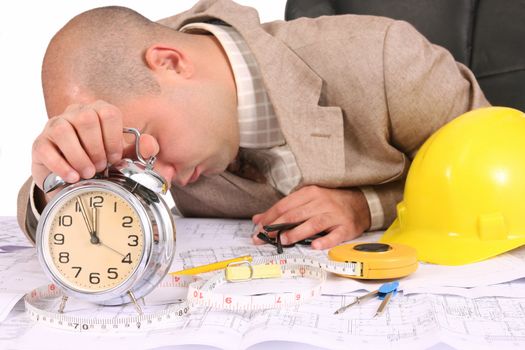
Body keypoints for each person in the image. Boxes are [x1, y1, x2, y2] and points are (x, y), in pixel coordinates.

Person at [17, 0, 489, 250]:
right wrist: (58, 180)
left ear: (172, 63)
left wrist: (370, 207)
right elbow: (47, 215)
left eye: (146, 148)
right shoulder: (139, 94)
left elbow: (502, 178)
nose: (160, 179)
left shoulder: (386, 60)